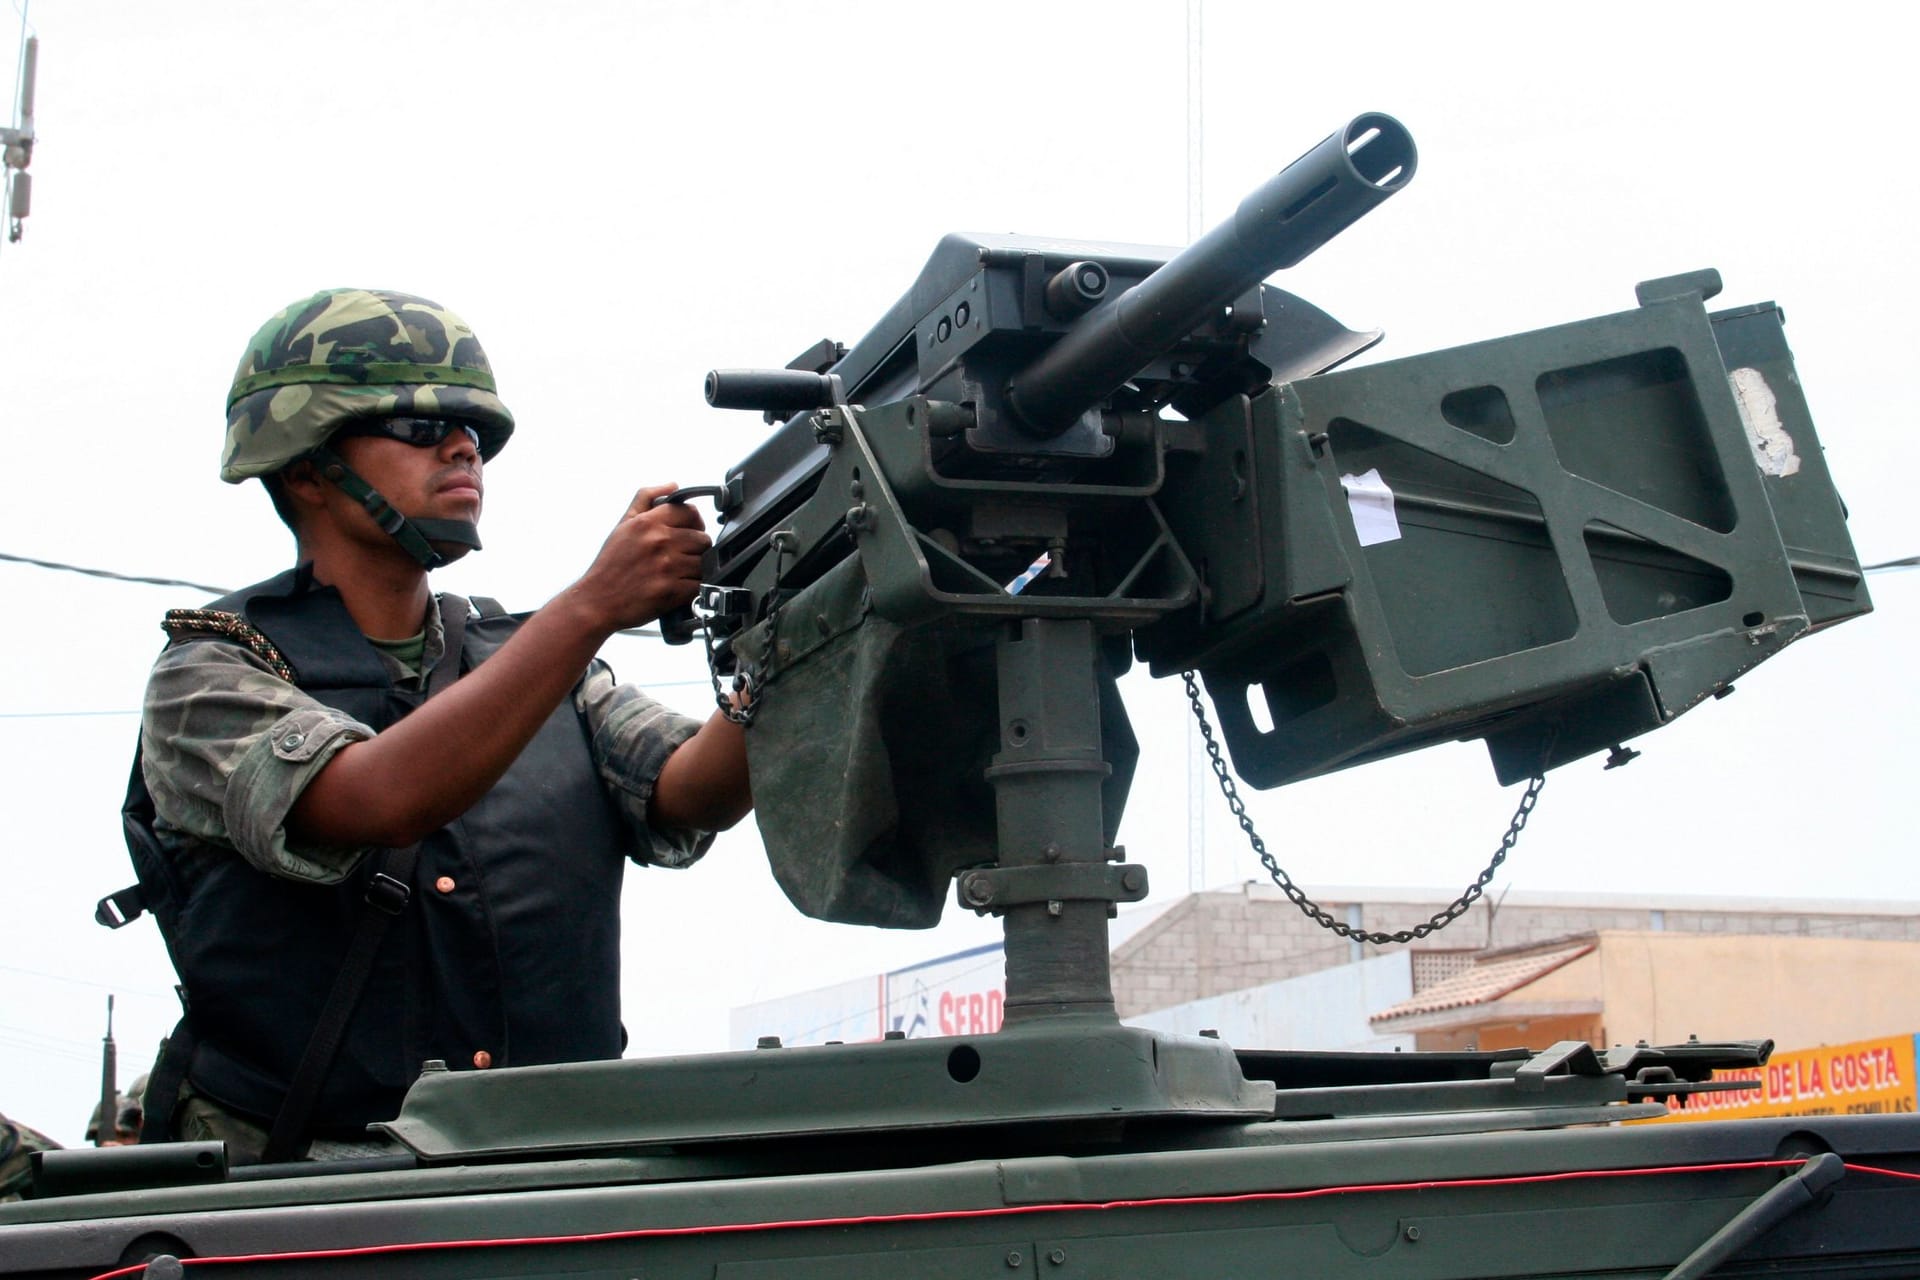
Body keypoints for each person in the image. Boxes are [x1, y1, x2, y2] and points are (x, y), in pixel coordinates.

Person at [115, 289, 751, 1163]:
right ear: (305, 468)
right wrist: (596, 603)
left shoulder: (540, 663)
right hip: (297, 1207)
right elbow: (375, 799)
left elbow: (696, 787)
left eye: (475, 434)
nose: (463, 449)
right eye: (418, 429)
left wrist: (793, 629)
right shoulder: (210, 676)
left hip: (560, 1185)